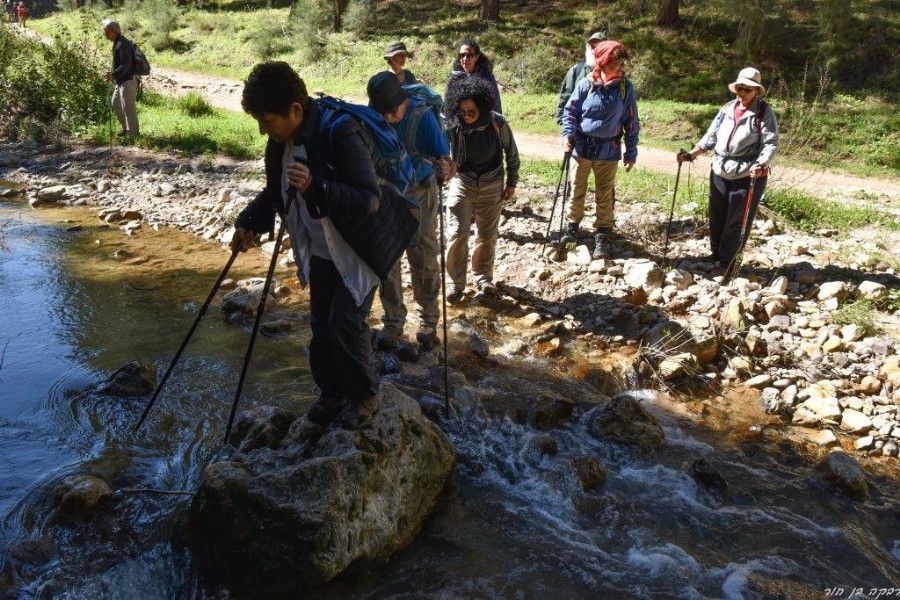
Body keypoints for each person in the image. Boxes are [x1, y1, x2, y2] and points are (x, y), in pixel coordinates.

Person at [231, 62, 411, 430]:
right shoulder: (280, 142)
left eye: (266, 120)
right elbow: (276, 190)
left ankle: (365, 396)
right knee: (321, 323)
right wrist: (250, 222)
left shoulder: (340, 131)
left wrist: (317, 186)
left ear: (295, 110)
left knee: (345, 322)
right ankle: (332, 392)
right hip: (322, 246)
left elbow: (368, 199)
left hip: (362, 246)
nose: (263, 129)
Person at [366, 71, 455, 350]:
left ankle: (428, 319)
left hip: (420, 191)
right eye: (385, 112)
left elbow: (446, 162)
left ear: (405, 101)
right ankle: (393, 321)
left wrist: (445, 169)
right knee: (387, 257)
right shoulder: (373, 117)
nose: (390, 117)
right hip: (387, 193)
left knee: (423, 254)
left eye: (394, 111)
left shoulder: (423, 117)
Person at [678, 67, 779, 275]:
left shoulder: (763, 112)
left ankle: (728, 261)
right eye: (739, 88)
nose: (741, 93)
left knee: (737, 218)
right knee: (716, 213)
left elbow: (771, 143)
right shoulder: (727, 108)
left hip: (748, 173)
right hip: (720, 168)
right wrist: (692, 154)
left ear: (756, 91)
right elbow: (711, 136)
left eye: (747, 90)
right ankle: (716, 254)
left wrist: (761, 163)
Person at [561, 39, 639, 259]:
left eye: (622, 61)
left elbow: (631, 121)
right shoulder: (586, 84)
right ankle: (571, 229)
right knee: (576, 189)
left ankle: (602, 236)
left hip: (609, 149)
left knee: (604, 195)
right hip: (581, 147)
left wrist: (630, 152)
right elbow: (570, 112)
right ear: (604, 61)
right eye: (617, 61)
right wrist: (568, 135)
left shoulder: (625, 88)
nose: (621, 66)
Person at [443, 77, 519, 302]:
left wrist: (512, 182)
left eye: (471, 112)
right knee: (457, 233)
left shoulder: (497, 123)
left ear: (482, 107)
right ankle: (454, 284)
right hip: (462, 182)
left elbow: (511, 154)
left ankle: (483, 279)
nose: (467, 116)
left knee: (487, 235)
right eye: (463, 112)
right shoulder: (454, 125)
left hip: (492, 183)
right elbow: (443, 152)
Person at [556, 31, 606, 125]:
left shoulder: (613, 72)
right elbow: (566, 95)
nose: (595, 49)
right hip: (578, 129)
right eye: (593, 45)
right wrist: (563, 122)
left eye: (600, 46)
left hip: (605, 132)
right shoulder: (576, 70)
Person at [101, 19, 140, 139]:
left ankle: (132, 136)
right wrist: (114, 74)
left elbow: (126, 64)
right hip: (121, 80)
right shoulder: (118, 42)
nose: (105, 35)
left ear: (112, 32)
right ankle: (126, 129)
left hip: (128, 80)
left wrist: (113, 74)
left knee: (128, 108)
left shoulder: (123, 43)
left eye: (106, 32)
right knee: (116, 103)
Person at [445, 38, 501, 115]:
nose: (465, 59)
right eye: (462, 55)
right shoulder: (454, 78)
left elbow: (496, 106)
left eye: (469, 55)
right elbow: (447, 106)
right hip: (459, 123)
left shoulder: (487, 78)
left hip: (482, 123)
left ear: (477, 57)